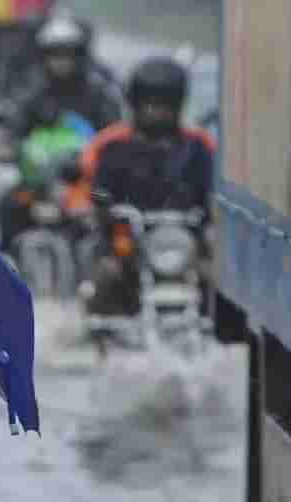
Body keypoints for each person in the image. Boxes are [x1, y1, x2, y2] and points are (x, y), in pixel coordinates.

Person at [71, 56, 216, 315]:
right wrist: (101, 207)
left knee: (217, 283)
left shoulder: (198, 146)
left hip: (184, 241)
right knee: (105, 279)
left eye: (165, 105)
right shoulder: (113, 146)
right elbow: (97, 187)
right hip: (127, 239)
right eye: (149, 104)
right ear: (135, 105)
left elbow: (211, 192)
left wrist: (209, 224)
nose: (157, 112)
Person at [0, 15, 122, 256]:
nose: (61, 61)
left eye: (67, 54)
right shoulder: (31, 94)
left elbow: (114, 136)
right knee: (8, 204)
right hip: (39, 185)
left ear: (80, 55)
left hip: (87, 187)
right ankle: (9, 267)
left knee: (113, 209)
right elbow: (12, 130)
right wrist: (9, 146)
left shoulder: (99, 96)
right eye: (55, 54)